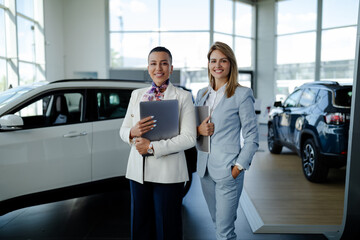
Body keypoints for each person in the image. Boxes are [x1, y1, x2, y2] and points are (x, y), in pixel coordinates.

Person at [119, 46, 196, 240]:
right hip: (138, 171)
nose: (158, 68)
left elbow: (189, 138)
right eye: (153, 63)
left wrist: (152, 147)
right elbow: (123, 130)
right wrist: (131, 132)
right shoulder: (137, 95)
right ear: (148, 67)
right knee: (140, 226)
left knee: (168, 227)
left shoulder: (183, 97)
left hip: (168, 173)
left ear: (171, 68)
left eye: (164, 63)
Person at [195, 41, 259, 240]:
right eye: (213, 61)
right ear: (208, 64)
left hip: (228, 171)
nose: (217, 65)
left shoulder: (242, 94)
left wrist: (238, 167)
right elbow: (194, 130)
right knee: (217, 224)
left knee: (225, 231)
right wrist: (199, 130)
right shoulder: (202, 94)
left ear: (231, 64)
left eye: (223, 60)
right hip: (205, 170)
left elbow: (252, 137)